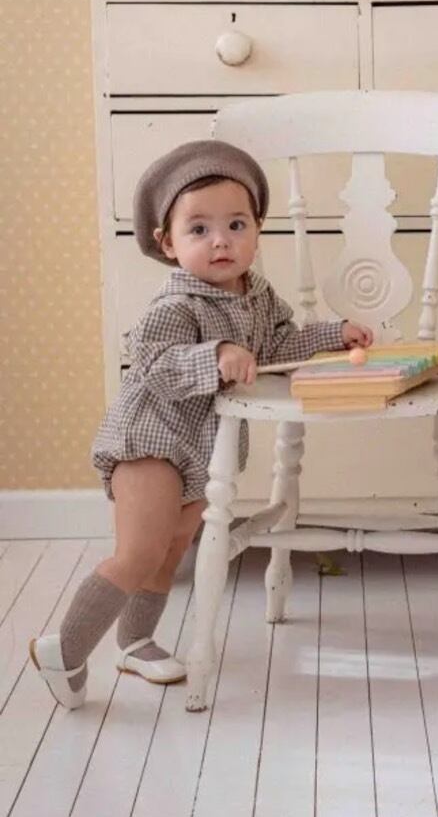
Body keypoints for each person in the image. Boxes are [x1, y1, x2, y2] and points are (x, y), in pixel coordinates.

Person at [30, 140, 372, 708]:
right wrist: (216, 354)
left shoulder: (258, 295)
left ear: (257, 230)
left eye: (236, 225)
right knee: (140, 552)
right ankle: (62, 650)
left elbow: (278, 345)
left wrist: (330, 336)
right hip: (150, 441)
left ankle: (135, 641)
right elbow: (156, 363)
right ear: (167, 243)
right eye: (199, 229)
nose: (221, 241)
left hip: (201, 448)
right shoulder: (176, 304)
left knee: (172, 550)